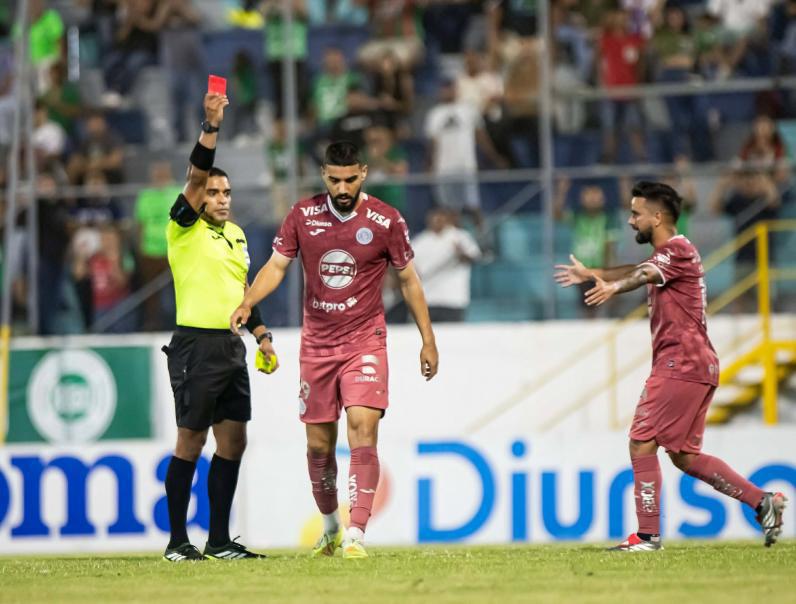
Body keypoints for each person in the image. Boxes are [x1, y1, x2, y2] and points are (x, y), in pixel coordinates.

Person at [229, 141, 438, 559]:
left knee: (362, 425)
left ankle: (356, 533)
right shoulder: (302, 216)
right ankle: (330, 529)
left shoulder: (385, 220)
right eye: (334, 179)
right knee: (319, 447)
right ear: (324, 175)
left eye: (350, 178)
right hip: (318, 344)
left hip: (365, 340)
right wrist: (248, 301)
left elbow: (409, 280)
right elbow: (275, 266)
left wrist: (427, 339)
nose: (342, 187)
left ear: (363, 172)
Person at [554, 181, 787, 551]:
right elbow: (640, 267)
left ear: (657, 217)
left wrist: (614, 289)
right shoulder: (670, 254)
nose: (630, 221)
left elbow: (642, 275)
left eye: (636, 213)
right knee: (685, 456)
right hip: (696, 364)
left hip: (681, 361)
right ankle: (763, 501)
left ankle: (647, 537)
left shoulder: (677, 250)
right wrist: (593, 273)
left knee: (641, 442)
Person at [162, 92, 277, 562]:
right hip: (194, 348)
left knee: (234, 441)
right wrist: (211, 125)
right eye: (213, 192)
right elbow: (194, 176)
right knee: (191, 441)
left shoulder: (236, 235)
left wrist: (262, 334)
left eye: (226, 192)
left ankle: (218, 540)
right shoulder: (182, 227)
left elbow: (242, 290)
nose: (221, 199)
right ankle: (176, 542)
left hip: (230, 348)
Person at [411, 208, 481, 322]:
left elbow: (474, 259)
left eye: (440, 218)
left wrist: (461, 254)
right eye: (433, 218)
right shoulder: (419, 241)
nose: (436, 221)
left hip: (453, 299)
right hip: (427, 300)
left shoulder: (460, 237)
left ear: (447, 219)